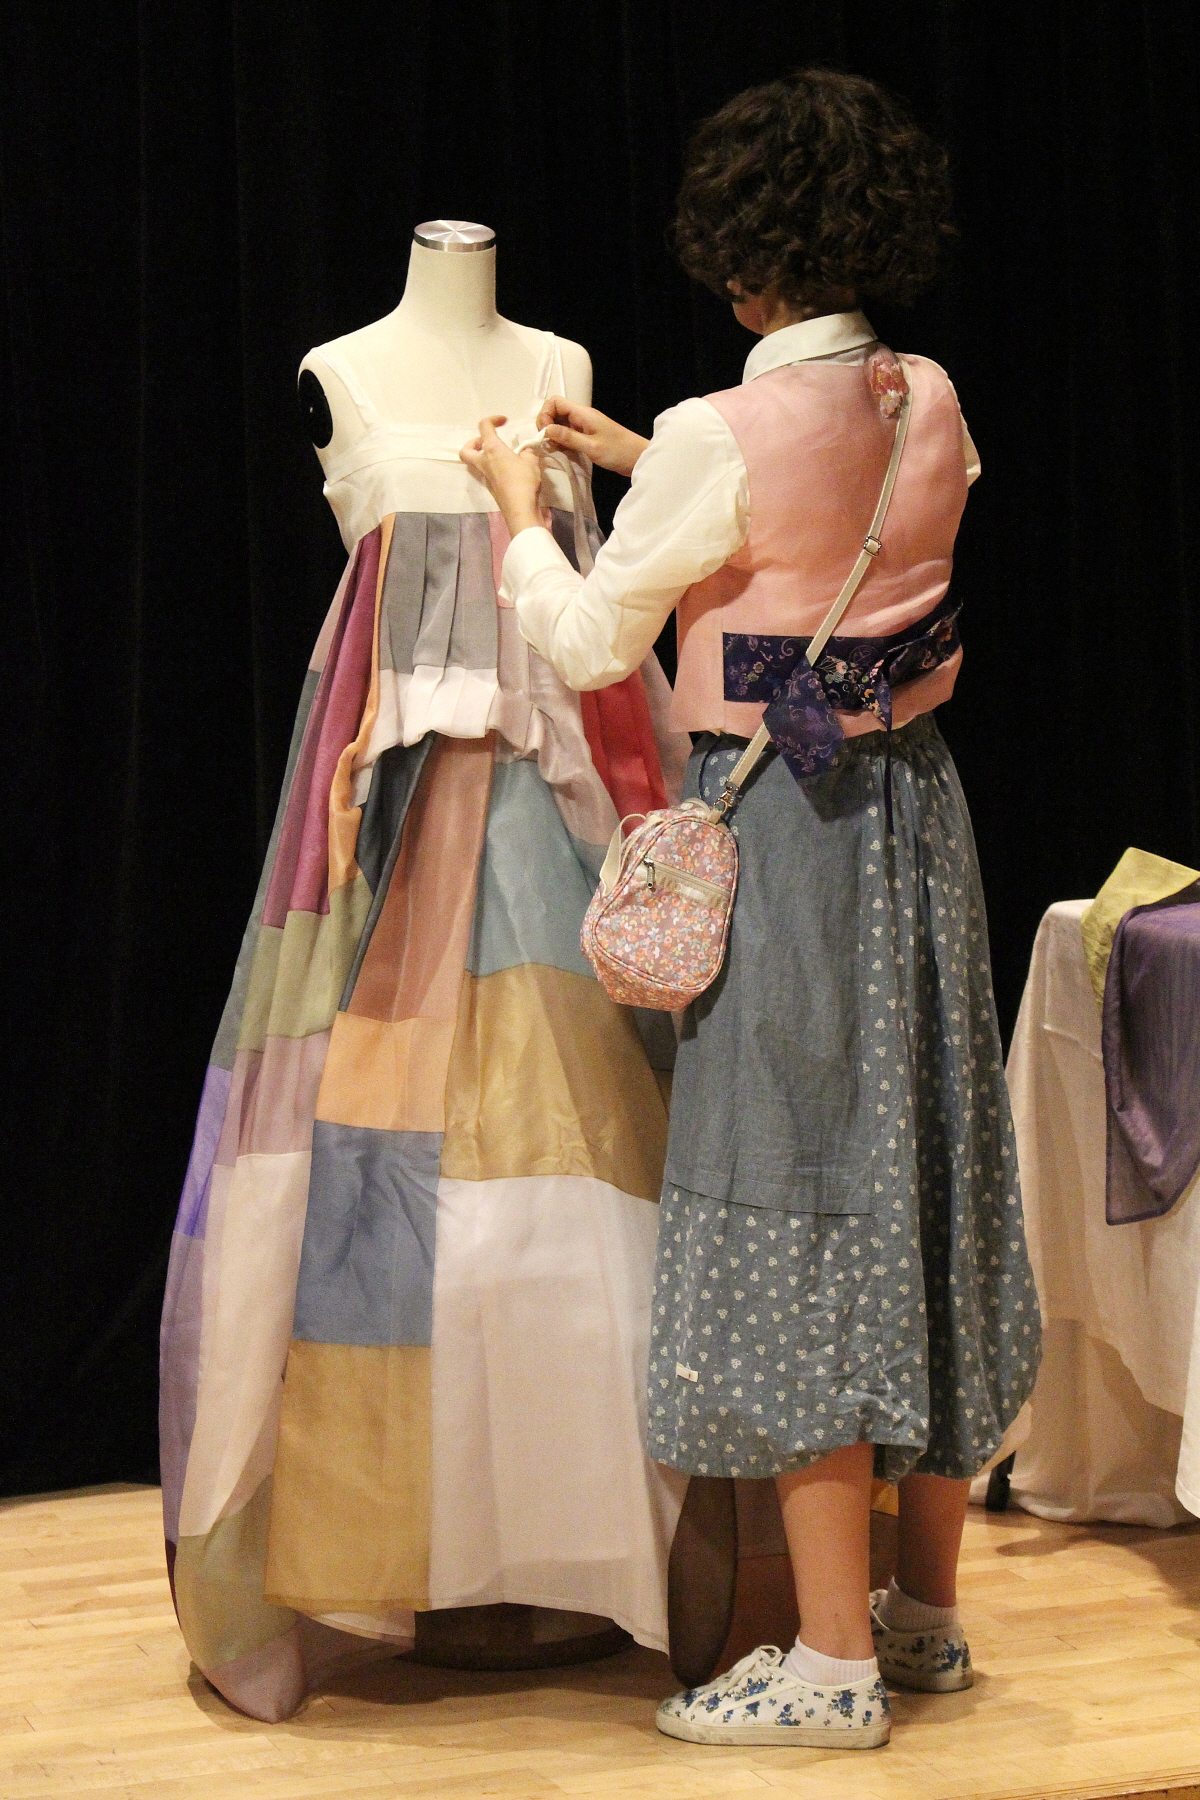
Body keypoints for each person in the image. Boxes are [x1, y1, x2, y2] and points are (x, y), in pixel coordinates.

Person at [462, 66, 1040, 1751]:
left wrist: (521, 513)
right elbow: (834, 526)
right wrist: (651, 462)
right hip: (915, 821)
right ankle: (924, 1618)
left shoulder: (725, 431)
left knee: (799, 1193)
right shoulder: (927, 391)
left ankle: (831, 1664)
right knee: (922, 1176)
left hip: (786, 836)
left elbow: (592, 641)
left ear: (739, 258)